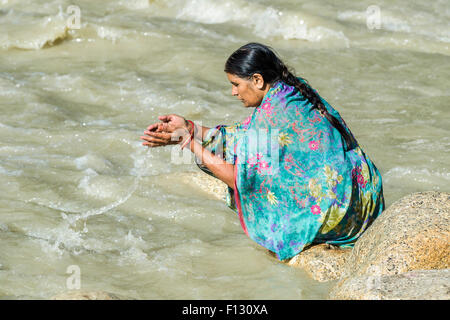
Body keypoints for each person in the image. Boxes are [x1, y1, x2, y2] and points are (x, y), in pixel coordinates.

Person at [141, 43, 385, 261]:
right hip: (366, 196)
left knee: (260, 192)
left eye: (235, 84)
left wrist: (189, 143)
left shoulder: (273, 112)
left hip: (343, 214)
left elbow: (239, 179)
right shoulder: (290, 91)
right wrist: (190, 127)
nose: (233, 93)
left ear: (257, 80)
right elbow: (245, 136)